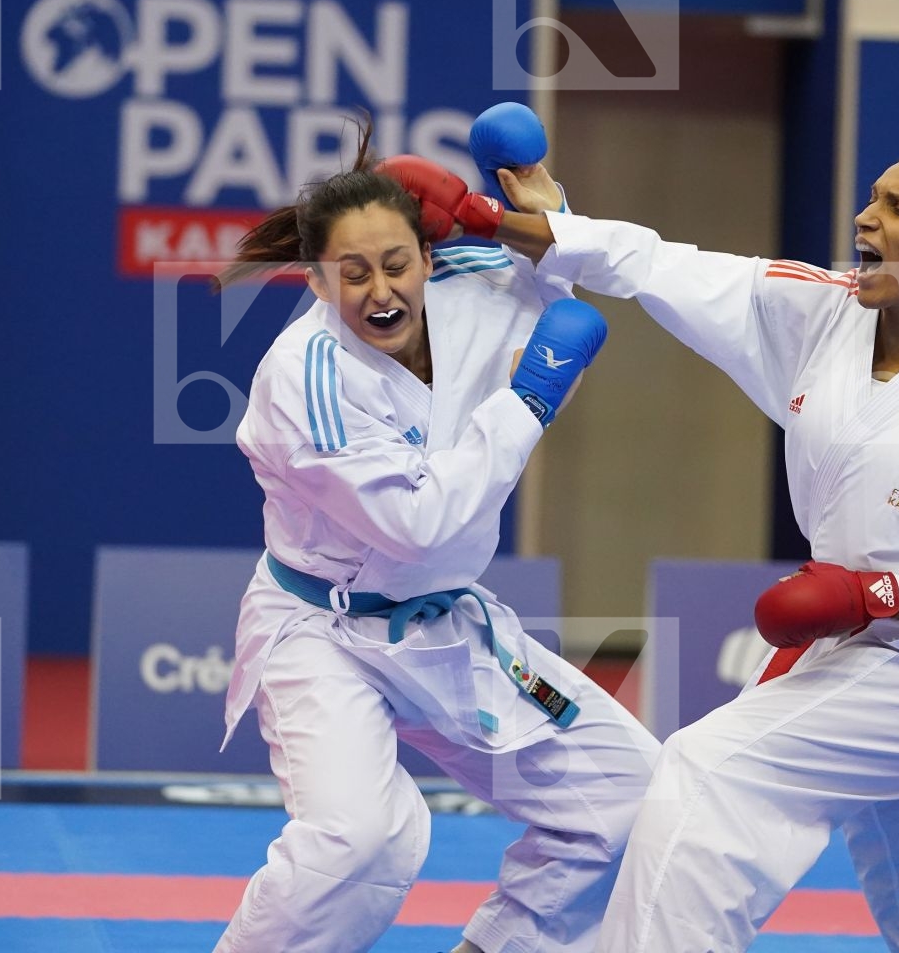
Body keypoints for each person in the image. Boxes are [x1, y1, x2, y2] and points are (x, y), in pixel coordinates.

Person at [390, 139, 899, 951]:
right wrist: (512, 222)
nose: (867, 217)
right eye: (872, 198)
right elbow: (666, 267)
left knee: (709, 772)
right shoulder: (821, 309)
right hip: (846, 660)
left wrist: (878, 597)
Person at [211, 123, 660, 953]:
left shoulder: (471, 280)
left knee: (629, 796)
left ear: (428, 255)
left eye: (395, 264)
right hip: (323, 631)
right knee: (360, 836)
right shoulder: (305, 377)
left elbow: (567, 269)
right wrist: (527, 403)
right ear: (316, 278)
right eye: (352, 273)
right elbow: (417, 526)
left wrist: (528, 205)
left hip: (442, 624)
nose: (379, 291)